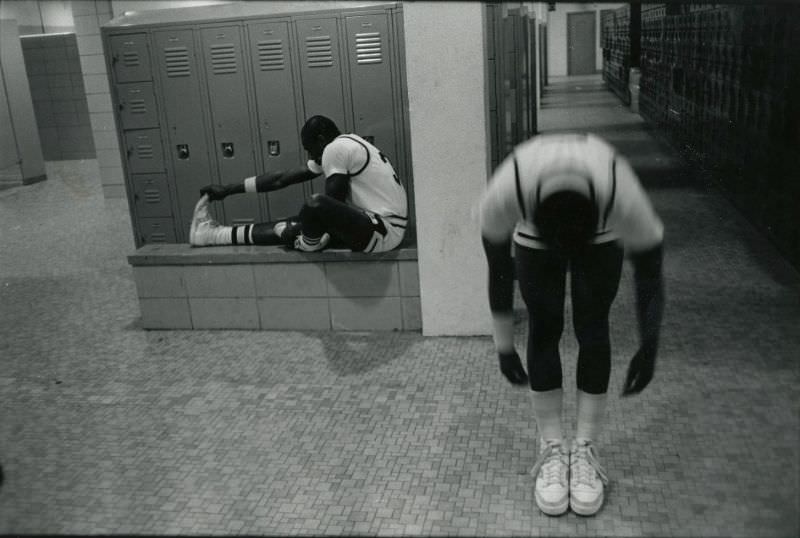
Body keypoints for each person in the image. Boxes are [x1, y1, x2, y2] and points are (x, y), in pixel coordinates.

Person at [478, 133, 665, 517]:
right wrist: (503, 344)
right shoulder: (508, 186)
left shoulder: (619, 188)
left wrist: (650, 344)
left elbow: (649, 272)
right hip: (536, 238)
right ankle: (551, 446)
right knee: (545, 326)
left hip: (601, 238)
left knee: (593, 325)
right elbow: (499, 268)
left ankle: (583, 447)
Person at [189, 115, 408, 253]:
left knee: (314, 206)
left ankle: (306, 245)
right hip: (377, 227)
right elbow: (281, 179)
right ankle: (212, 235)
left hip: (383, 231)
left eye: (308, 148)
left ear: (321, 139)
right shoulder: (346, 144)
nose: (309, 154)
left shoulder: (336, 149)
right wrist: (228, 189)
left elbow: (331, 206)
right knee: (295, 223)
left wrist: (300, 232)